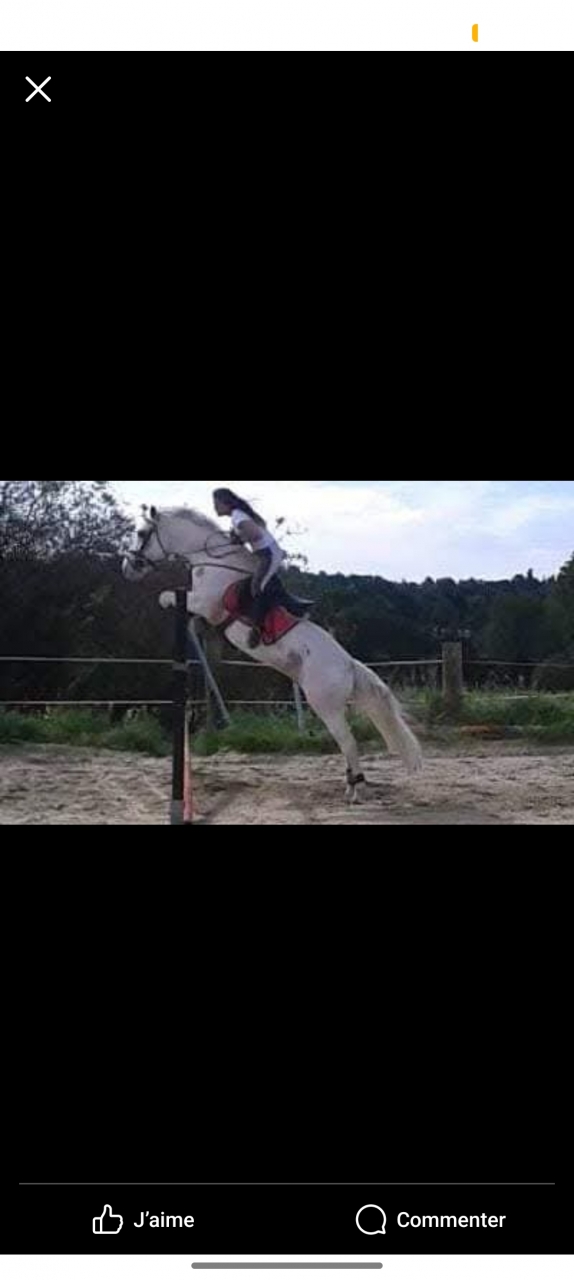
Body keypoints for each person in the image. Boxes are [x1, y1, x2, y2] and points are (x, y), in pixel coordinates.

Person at [213, 488, 286, 648]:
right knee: (252, 585)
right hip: (264, 554)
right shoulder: (237, 515)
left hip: (269, 555)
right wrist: (238, 536)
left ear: (226, 503)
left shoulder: (237, 516)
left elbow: (255, 534)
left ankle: (258, 629)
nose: (215, 508)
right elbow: (256, 530)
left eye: (217, 504)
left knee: (257, 587)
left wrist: (240, 539)